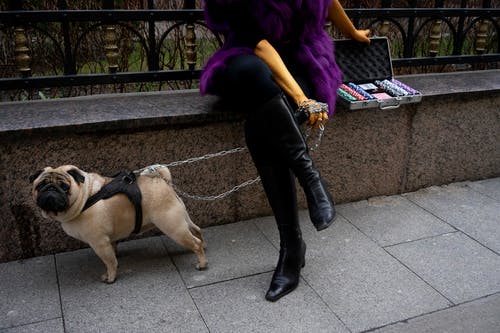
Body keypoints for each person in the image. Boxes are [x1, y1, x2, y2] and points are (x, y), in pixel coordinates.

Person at [200, 0, 370, 302]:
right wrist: (301, 98)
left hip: (303, 59)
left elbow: (327, 1)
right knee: (253, 76)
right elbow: (258, 42)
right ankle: (311, 178)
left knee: (262, 127)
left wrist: (353, 32)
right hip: (250, 52)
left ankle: (292, 248)